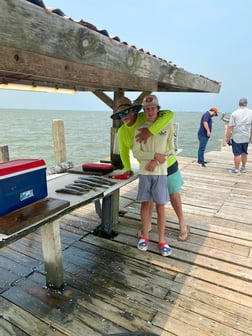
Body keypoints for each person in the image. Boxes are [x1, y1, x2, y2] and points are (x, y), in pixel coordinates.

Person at [111, 96, 189, 241]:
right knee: (150, 198)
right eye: (120, 115)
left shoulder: (144, 116)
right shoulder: (121, 131)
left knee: (173, 193)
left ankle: (182, 223)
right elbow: (124, 152)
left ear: (134, 111)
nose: (124, 116)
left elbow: (170, 114)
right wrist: (127, 168)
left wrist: (151, 131)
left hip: (167, 163)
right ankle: (148, 225)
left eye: (127, 112)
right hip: (147, 167)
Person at [133, 95, 173, 256]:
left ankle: (162, 240)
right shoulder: (139, 128)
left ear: (158, 109)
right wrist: (153, 156)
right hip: (144, 173)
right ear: (145, 110)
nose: (150, 111)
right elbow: (136, 152)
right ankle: (145, 236)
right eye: (147, 109)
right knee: (145, 204)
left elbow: (172, 150)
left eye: (153, 108)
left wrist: (155, 161)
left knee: (161, 207)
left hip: (161, 172)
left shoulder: (168, 126)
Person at [225, 98, 252, 175]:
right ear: (246, 104)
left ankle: (237, 170)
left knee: (237, 154)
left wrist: (227, 137)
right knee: (244, 153)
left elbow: (230, 127)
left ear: (239, 104)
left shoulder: (234, 113)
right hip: (246, 136)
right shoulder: (251, 112)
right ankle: (243, 168)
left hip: (237, 137)